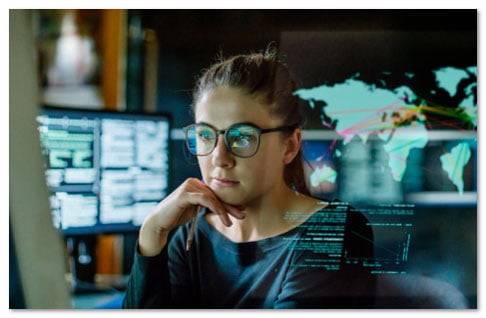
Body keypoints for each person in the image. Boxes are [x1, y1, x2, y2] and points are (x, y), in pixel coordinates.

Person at [122, 48, 376, 309]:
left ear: (289, 146)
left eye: (242, 137)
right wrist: (152, 231)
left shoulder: (335, 232)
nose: (220, 158)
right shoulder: (192, 237)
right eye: (206, 135)